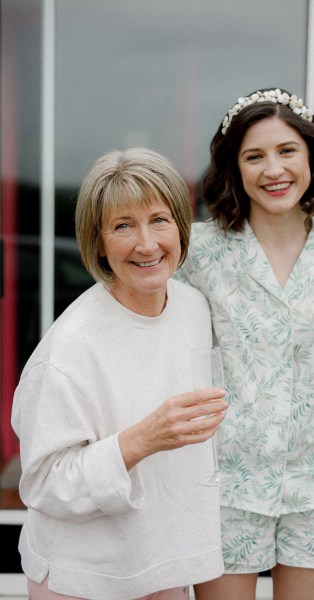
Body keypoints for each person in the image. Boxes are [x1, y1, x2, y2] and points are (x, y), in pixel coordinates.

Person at [176, 88, 314, 600]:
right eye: (255, 155)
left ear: (311, 156)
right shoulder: (200, 251)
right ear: (235, 167)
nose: (274, 169)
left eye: (287, 151)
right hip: (225, 479)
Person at [11, 147, 228, 600]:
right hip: (86, 575)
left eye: (159, 219)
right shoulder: (70, 348)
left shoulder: (192, 307)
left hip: (164, 562)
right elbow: (43, 483)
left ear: (182, 227)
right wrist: (142, 438)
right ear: (99, 241)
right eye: (123, 226)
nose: (147, 244)